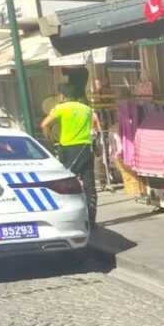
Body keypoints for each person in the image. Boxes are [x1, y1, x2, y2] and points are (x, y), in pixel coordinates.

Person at [41, 83, 101, 226]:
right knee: (89, 185)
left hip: (67, 149)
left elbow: (44, 124)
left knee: (65, 184)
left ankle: (69, 218)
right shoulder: (87, 110)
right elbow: (95, 130)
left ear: (62, 96)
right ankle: (91, 220)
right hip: (86, 149)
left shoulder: (60, 108)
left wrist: (52, 140)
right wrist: (95, 146)